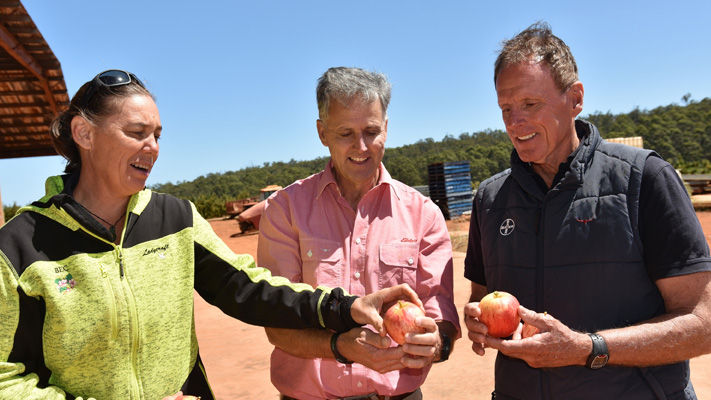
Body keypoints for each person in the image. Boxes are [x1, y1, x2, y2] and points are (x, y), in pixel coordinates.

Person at [0, 69, 421, 400]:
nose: (152, 147)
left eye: (157, 135)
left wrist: (345, 307)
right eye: (136, 132)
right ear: (84, 134)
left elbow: (248, 288)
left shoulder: (174, 219)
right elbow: (5, 380)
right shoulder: (18, 246)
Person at [463, 22, 711, 399]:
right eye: (506, 108)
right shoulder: (490, 199)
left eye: (530, 104)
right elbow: (482, 297)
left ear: (575, 98)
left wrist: (588, 349)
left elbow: (703, 322)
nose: (515, 123)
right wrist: (479, 320)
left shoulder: (644, 178)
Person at [258, 66, 460, 400]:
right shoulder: (285, 210)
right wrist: (339, 346)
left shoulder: (423, 214)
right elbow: (278, 325)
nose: (361, 146)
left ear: (387, 129)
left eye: (371, 131)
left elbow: (443, 320)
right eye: (345, 133)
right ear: (322, 133)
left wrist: (436, 342)